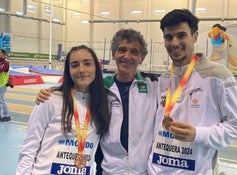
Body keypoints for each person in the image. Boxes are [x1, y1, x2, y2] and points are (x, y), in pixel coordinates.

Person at [35, 29, 158, 174]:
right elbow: (76, 90)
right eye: (122, 50)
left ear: (142, 58)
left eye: (134, 52)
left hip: (143, 171)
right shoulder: (100, 89)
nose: (127, 56)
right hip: (108, 170)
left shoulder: (154, 86)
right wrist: (51, 92)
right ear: (113, 54)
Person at [147, 9, 237, 175]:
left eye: (181, 35)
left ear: (194, 36)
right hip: (156, 169)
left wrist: (198, 134)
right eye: (168, 37)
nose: (174, 43)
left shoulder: (218, 75)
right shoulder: (164, 79)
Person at [16, 45, 110, 174]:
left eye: (87, 64)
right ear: (68, 70)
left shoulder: (102, 104)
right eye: (75, 65)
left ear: (96, 68)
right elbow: (29, 148)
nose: (81, 69)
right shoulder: (49, 99)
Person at [0, 48, 11, 122]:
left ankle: (7, 115)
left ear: (3, 54)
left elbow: (0, 70)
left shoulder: (5, 63)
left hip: (2, 84)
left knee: (2, 100)